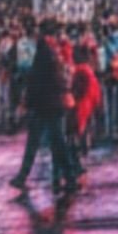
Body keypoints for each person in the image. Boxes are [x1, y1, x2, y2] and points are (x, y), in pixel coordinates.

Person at [11, 34, 77, 195]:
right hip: (54, 108)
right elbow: (60, 83)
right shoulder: (54, 62)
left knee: (32, 145)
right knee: (59, 144)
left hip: (40, 109)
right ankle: (69, 176)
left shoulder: (38, 64)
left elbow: (32, 87)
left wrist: (27, 104)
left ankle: (22, 176)